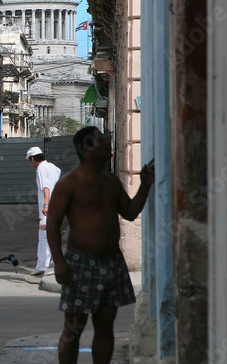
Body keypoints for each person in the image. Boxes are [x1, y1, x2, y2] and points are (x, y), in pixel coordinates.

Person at [47, 126, 154, 364]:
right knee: (73, 328)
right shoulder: (69, 183)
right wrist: (60, 263)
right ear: (85, 149)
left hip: (112, 261)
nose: (107, 143)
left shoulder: (111, 181)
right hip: (80, 262)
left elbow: (128, 212)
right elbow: (52, 224)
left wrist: (145, 185)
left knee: (105, 325)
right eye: (99, 140)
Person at [26, 146, 61, 277]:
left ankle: (51, 265)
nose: (31, 164)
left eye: (30, 161)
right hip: (56, 205)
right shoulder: (53, 167)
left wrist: (46, 205)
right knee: (46, 236)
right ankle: (42, 265)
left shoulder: (41, 169)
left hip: (48, 208)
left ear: (32, 158)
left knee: (47, 237)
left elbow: (46, 188)